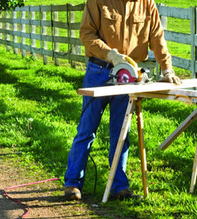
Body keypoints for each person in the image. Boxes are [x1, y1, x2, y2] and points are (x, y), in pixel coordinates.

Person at [64, 0, 182, 201]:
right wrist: (109, 54)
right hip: (98, 70)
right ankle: (72, 183)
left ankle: (119, 186)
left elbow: (157, 38)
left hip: (128, 75)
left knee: (121, 132)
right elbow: (86, 33)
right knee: (87, 129)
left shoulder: (147, 4)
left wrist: (167, 69)